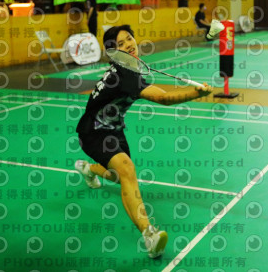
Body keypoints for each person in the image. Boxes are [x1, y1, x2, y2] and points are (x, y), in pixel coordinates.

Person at [73, 25, 213, 259]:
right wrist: (195, 94)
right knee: (127, 170)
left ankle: (88, 169)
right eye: (120, 44)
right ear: (113, 53)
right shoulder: (124, 75)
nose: (129, 44)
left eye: (129, 39)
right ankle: (150, 235)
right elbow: (163, 98)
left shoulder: (128, 70)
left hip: (114, 131)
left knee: (118, 177)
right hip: (93, 132)